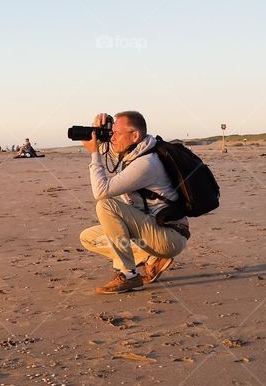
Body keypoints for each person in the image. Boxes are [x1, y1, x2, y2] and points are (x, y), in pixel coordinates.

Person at [78, 111, 189, 294]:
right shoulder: (135, 154)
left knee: (106, 205)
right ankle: (150, 258)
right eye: (111, 133)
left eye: (116, 134)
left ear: (135, 135)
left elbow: (101, 191)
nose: (112, 138)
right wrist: (102, 130)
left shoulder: (147, 163)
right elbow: (114, 153)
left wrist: (94, 154)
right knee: (88, 238)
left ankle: (128, 275)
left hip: (169, 236)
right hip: (151, 228)